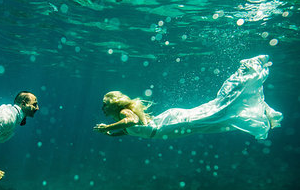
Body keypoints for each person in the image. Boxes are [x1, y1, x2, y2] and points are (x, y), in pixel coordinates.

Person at [94, 55, 283, 140]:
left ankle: (249, 70)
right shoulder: (122, 117)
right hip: (168, 126)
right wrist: (113, 133)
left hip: (169, 125)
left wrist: (107, 128)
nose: (102, 109)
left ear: (114, 104)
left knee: (216, 113)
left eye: (105, 105)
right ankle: (261, 113)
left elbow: (132, 121)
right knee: (215, 120)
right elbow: (130, 128)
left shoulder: (124, 113)